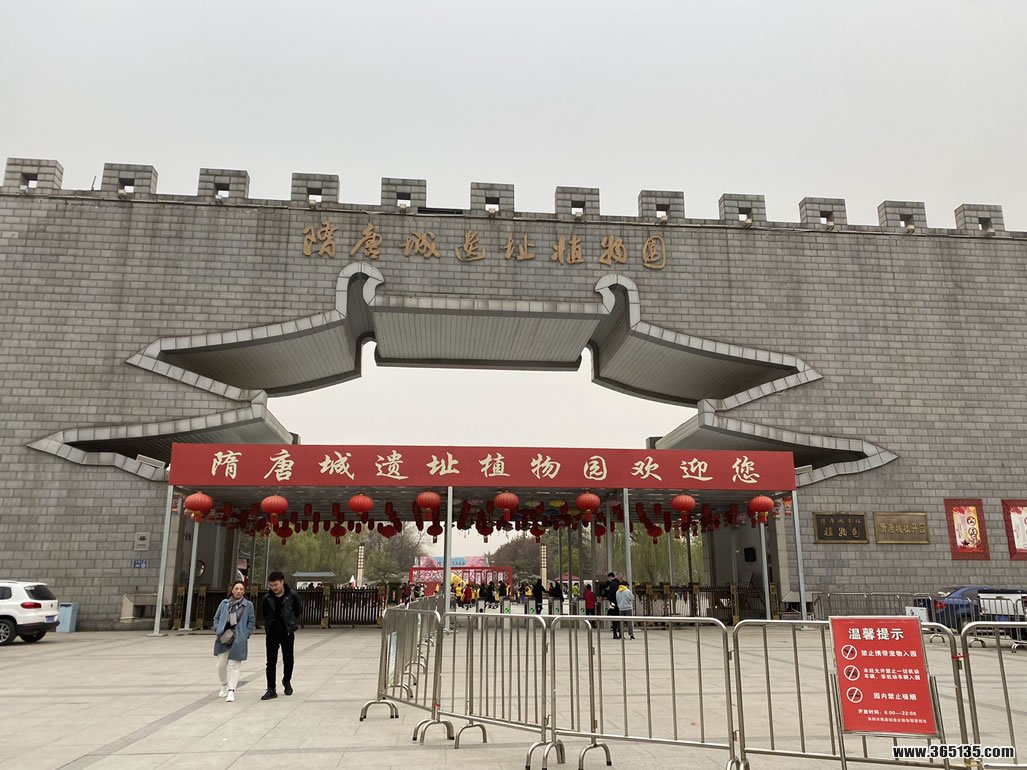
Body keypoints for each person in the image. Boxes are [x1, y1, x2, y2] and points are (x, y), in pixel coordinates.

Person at [261, 571, 302, 700]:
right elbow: (264, 614)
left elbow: (297, 611)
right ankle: (271, 688)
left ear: (282, 582)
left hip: (287, 632)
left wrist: (291, 623)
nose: (273, 588)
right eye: (271, 585)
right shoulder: (267, 598)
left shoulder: (292, 595)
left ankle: (286, 680)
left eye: (276, 585)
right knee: (270, 662)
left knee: (288, 659)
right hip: (272, 633)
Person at [213, 580, 255, 703]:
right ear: (232, 590)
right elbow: (216, 617)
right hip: (223, 638)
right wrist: (217, 629)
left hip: (238, 639)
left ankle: (231, 690)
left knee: (234, 665)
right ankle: (225, 685)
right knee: (220, 665)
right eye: (236, 588)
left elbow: (251, 621)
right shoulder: (224, 603)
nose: (238, 591)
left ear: (244, 592)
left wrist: (246, 634)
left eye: (241, 589)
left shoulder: (248, 605)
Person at [604, 572, 621, 639]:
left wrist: (611, 600)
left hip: (613, 603)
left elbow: (610, 594)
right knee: (620, 619)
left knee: (614, 618)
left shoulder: (612, 584)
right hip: (619, 604)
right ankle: (620, 633)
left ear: (610, 577)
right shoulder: (619, 584)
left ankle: (615, 633)